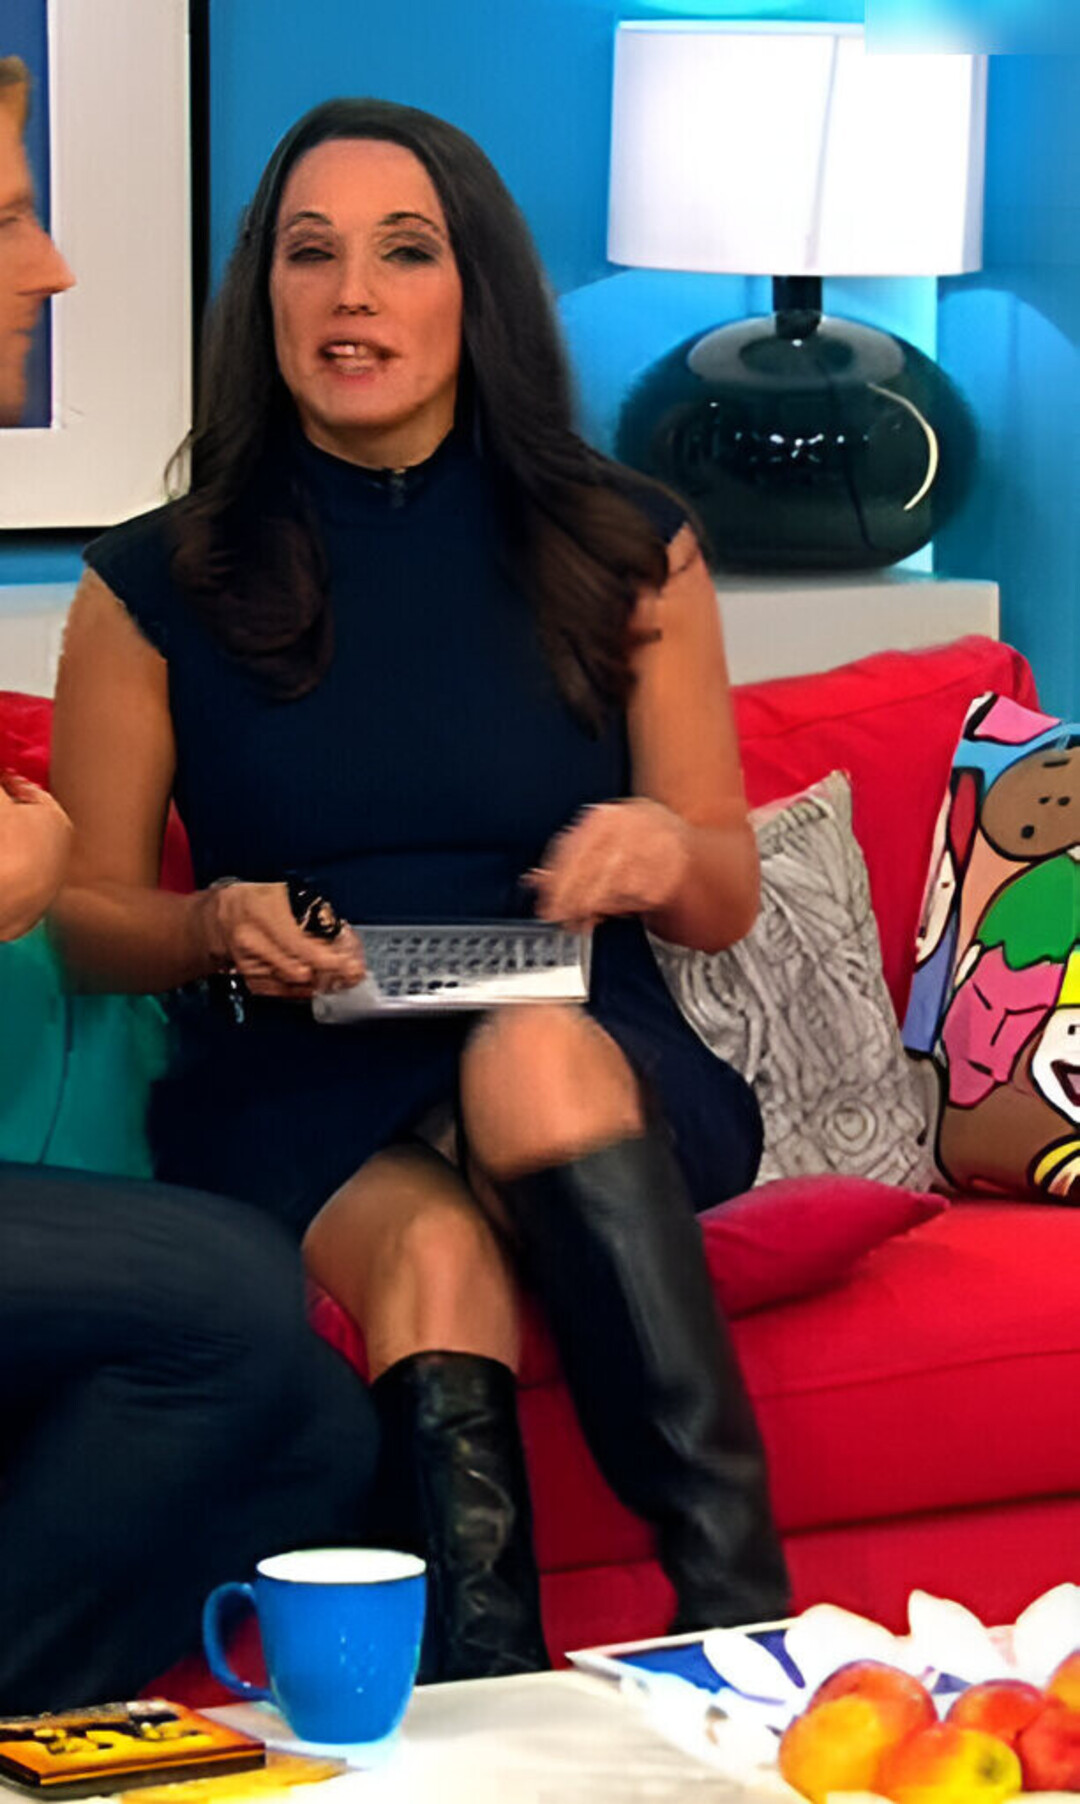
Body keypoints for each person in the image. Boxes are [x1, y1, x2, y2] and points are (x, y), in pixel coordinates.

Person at [50, 97, 791, 1683]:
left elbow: (724, 888)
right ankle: (484, 1703)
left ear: (477, 292)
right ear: (264, 297)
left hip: (582, 1043)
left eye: (404, 253)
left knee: (528, 1052)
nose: (353, 296)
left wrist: (660, 849)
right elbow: (90, 921)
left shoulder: (627, 545)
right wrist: (212, 924)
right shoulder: (151, 583)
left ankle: (738, 1614)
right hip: (299, 1070)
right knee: (432, 1262)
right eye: (308, 255)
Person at [0, 58, 379, 1712]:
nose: (54, 267)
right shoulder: (142, 592)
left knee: (317, 1434)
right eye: (10, 222)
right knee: (226, 1280)